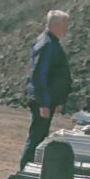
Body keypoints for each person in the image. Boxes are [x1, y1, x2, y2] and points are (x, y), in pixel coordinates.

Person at [20, 10, 73, 167]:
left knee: (40, 136)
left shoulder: (50, 42)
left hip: (47, 100)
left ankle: (31, 167)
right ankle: (26, 168)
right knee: (37, 136)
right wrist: (43, 103)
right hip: (43, 101)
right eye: (65, 25)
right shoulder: (47, 45)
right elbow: (39, 75)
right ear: (56, 25)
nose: (67, 29)